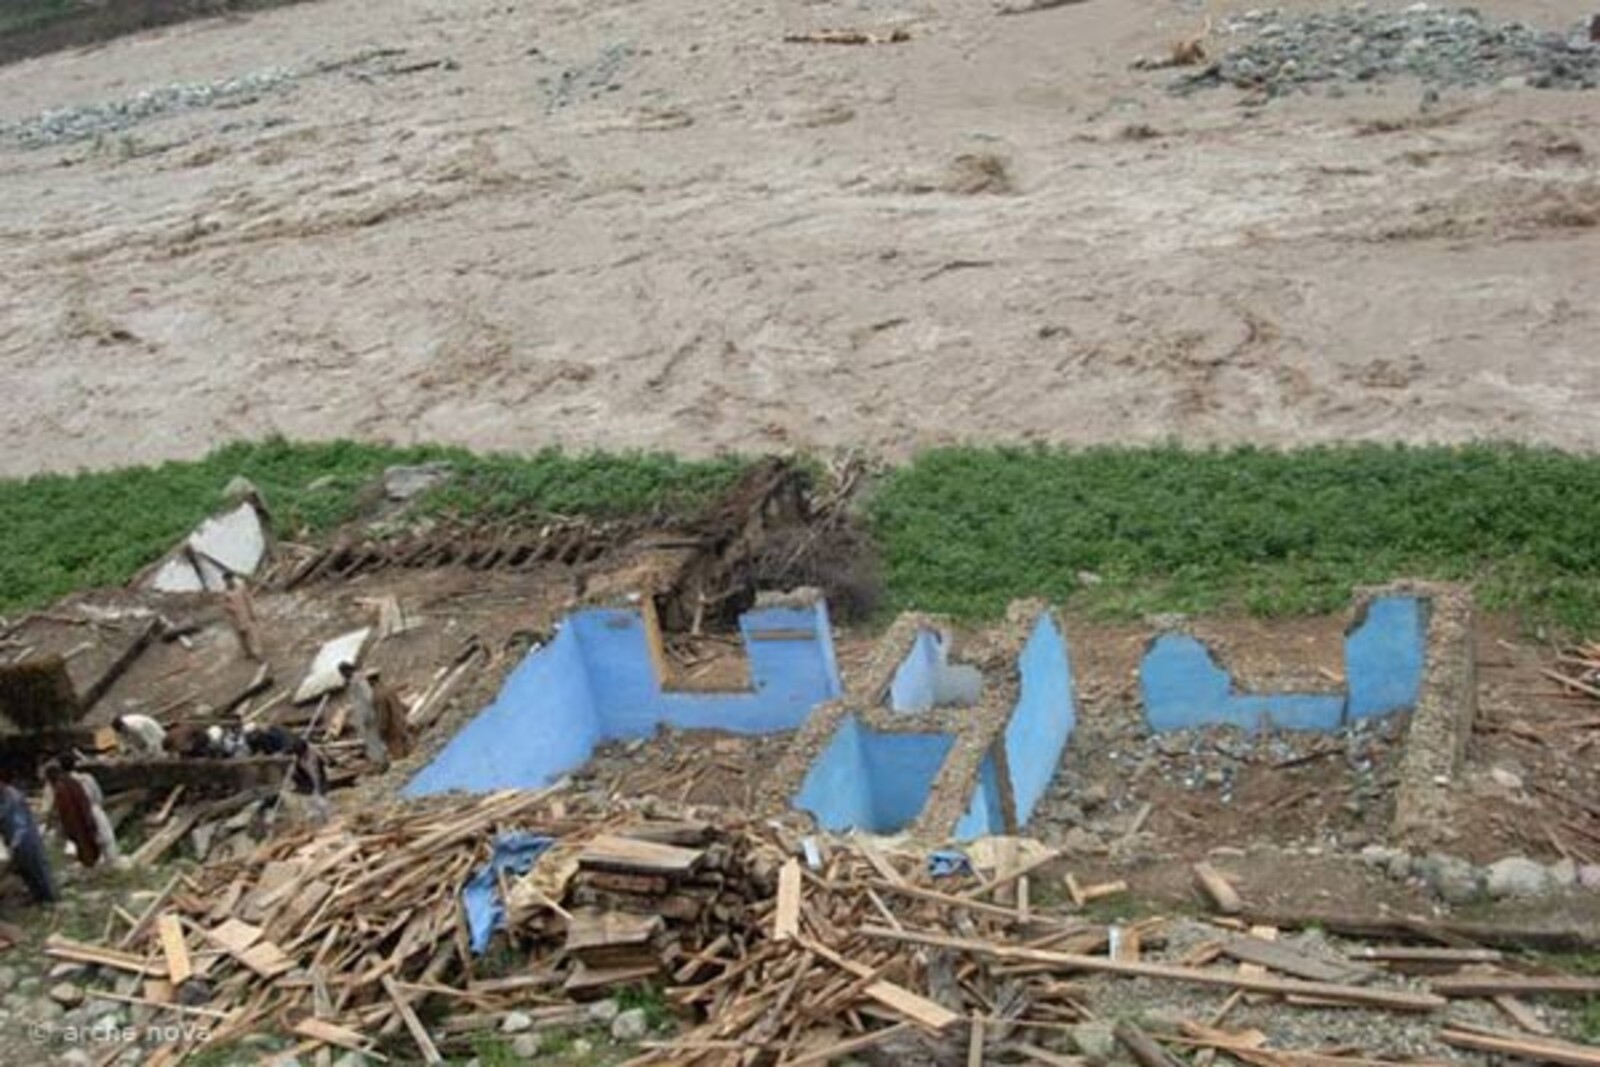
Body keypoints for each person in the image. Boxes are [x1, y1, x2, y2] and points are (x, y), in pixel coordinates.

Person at [55, 754, 122, 867]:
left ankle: (93, 865)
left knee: (85, 842)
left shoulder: (62, 784)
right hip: (93, 810)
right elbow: (98, 796)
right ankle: (111, 864)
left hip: (77, 817)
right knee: (106, 839)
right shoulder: (86, 778)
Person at [0, 772, 55, 904]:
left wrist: (14, 844)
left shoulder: (13, 797)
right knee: (25, 870)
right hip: (14, 839)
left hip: (25, 839)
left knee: (37, 867)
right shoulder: (5, 797)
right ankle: (36, 895)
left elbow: (20, 823)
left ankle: (49, 897)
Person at [338, 662, 386, 771]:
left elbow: (368, 696)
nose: (342, 675)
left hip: (367, 715)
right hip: (362, 715)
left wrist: (367, 714)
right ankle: (378, 761)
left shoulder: (359, 680)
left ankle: (382, 761)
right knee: (370, 741)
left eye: (343, 672)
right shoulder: (352, 681)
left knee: (374, 740)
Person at [372, 673, 414, 763]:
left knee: (399, 758)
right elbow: (399, 704)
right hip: (401, 723)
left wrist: (381, 731)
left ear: (370, 682)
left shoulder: (378, 696)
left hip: (392, 731)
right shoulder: (388, 689)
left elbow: (383, 716)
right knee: (410, 752)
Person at [221, 573, 263, 661]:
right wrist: (229, 609)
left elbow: (248, 600)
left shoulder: (241, 588)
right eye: (227, 580)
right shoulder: (225, 593)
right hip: (235, 619)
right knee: (242, 638)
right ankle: (248, 653)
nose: (229, 581)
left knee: (253, 636)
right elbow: (224, 606)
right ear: (224, 581)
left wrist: (252, 613)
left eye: (230, 579)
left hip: (246, 615)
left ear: (233, 579)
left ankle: (258, 653)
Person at [287, 738, 330, 823]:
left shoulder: (315, 755)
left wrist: (317, 789)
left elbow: (325, 765)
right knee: (309, 802)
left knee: (321, 801)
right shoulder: (298, 757)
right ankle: (314, 818)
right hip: (305, 779)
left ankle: (325, 819)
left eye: (300, 753)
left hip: (317, 778)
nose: (298, 755)